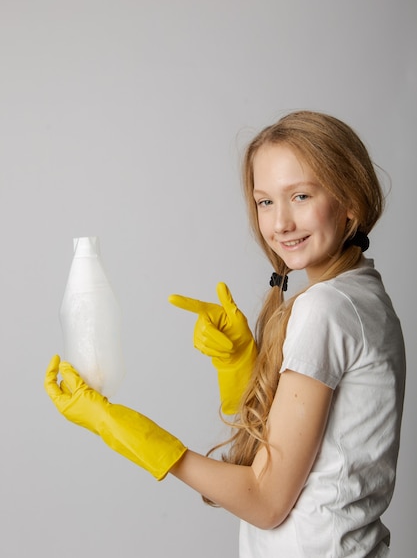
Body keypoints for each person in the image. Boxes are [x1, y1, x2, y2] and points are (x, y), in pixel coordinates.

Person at [45, 110, 406, 557]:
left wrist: (134, 435)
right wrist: (240, 366)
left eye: (301, 196)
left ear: (351, 200)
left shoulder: (326, 308)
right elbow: (280, 457)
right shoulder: (363, 295)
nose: (280, 224)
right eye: (265, 201)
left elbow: (267, 500)